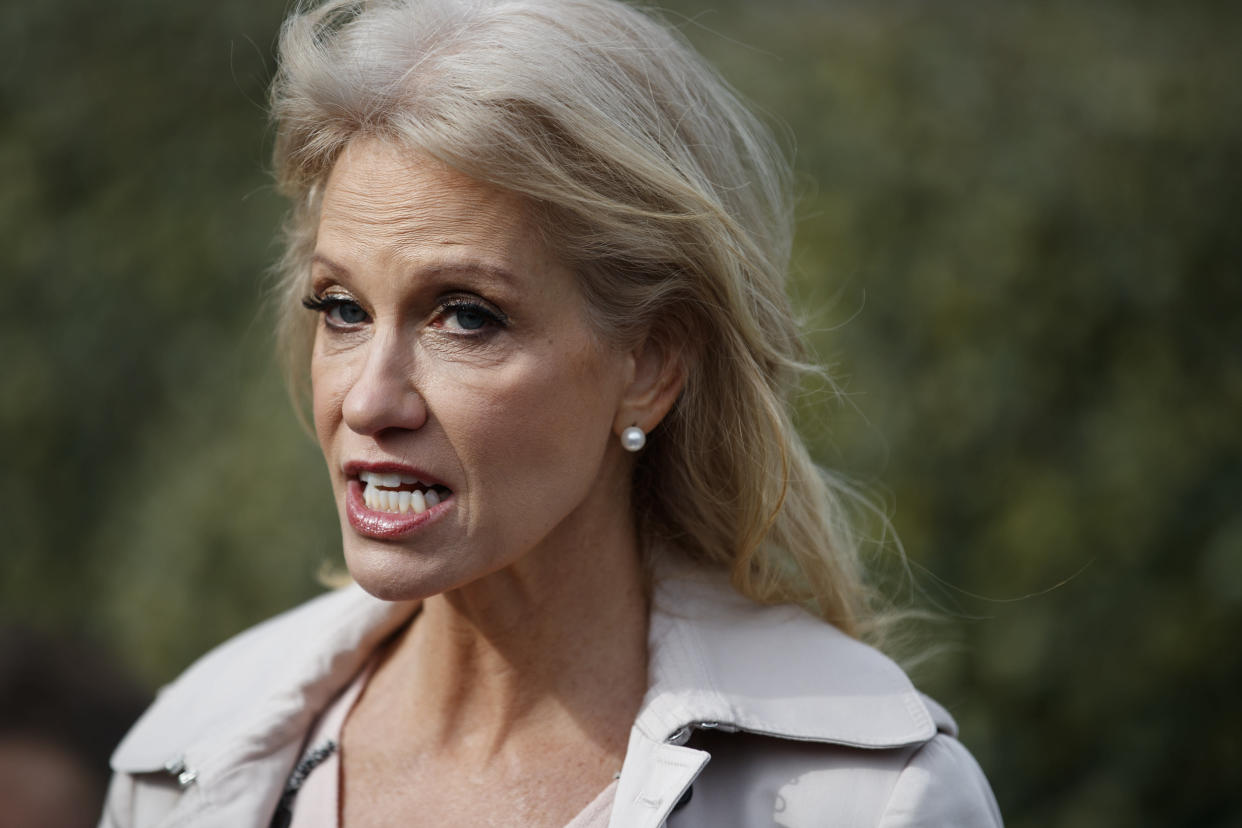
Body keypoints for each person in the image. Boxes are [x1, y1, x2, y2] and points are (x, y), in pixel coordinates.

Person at [101, 0, 1002, 825]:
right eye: (342, 308)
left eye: (465, 316)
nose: (369, 398)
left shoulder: (874, 801)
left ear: (650, 364)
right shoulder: (184, 757)